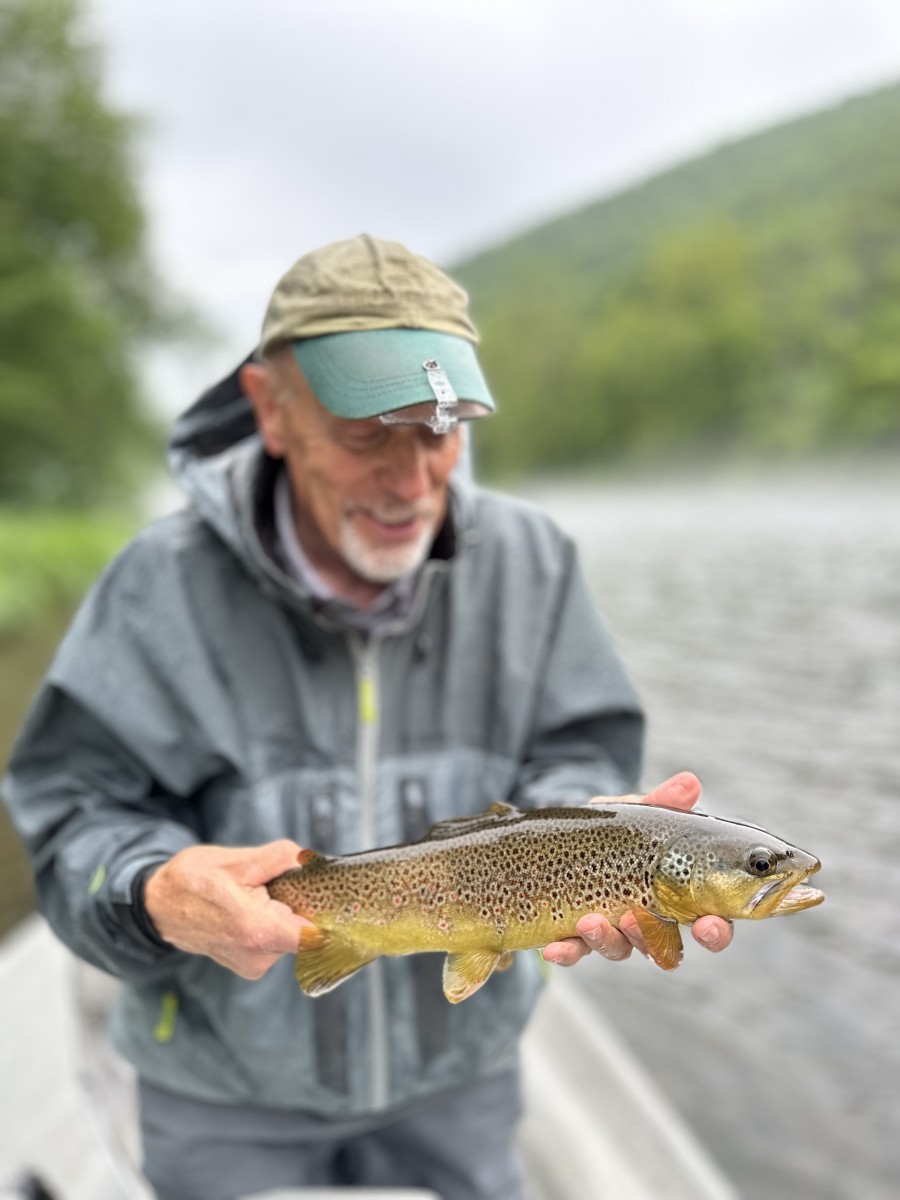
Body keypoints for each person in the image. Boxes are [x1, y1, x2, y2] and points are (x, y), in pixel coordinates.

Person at [2, 234, 733, 1200]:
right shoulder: (154, 589)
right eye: (366, 433)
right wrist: (147, 889)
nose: (411, 480)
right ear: (271, 408)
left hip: (460, 1072)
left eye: (441, 428)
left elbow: (571, 755)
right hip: (221, 1084)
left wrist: (589, 829)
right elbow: (70, 820)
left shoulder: (535, 563)